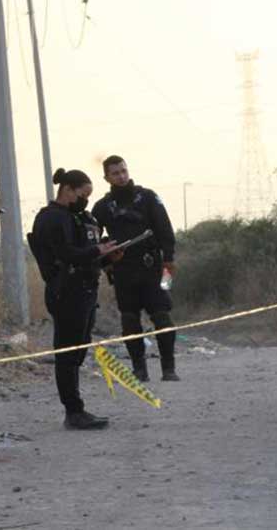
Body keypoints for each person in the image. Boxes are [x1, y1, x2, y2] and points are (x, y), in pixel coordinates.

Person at [29, 168, 119, 430]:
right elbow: (66, 253)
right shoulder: (51, 218)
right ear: (67, 189)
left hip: (86, 290)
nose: (86, 200)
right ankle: (73, 410)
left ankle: (76, 408)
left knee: (78, 350)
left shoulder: (81, 218)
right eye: (83, 194)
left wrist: (106, 255)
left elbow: (86, 253)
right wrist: (96, 250)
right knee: (67, 354)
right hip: (66, 291)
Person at [91, 156, 180, 382]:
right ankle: (139, 369)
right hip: (122, 270)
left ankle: (169, 368)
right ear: (106, 178)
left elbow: (165, 230)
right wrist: (106, 258)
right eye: (115, 173)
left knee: (162, 316)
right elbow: (93, 241)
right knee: (129, 320)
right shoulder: (102, 207)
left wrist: (169, 261)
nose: (121, 176)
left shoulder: (148, 197)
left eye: (123, 171)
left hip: (154, 267)